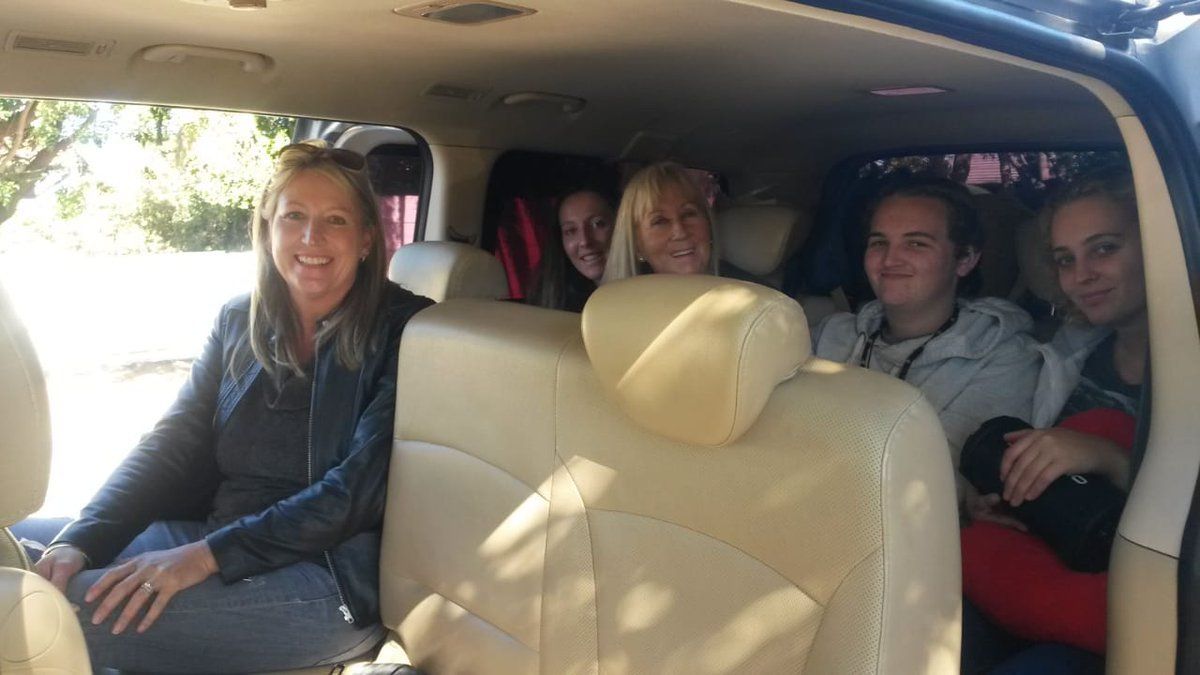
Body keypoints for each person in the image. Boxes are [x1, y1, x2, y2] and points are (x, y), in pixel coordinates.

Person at [12, 141, 434, 673]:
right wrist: (85, 539)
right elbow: (172, 444)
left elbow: (356, 493)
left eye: (336, 220)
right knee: (17, 552)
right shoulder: (239, 320)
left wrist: (206, 557)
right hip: (216, 536)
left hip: (325, 581)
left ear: (368, 238)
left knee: (37, 616)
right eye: (294, 216)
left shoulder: (405, 331)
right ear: (267, 226)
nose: (311, 238)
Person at [960, 166, 1145, 674]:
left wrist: (1110, 459)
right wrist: (1011, 496)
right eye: (1066, 259)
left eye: (1104, 248)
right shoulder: (1066, 354)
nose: (1081, 275)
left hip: (1135, 594)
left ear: (1157, 245)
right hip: (1039, 564)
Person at [811, 176, 1041, 463]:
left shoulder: (1004, 358)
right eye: (879, 242)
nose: (890, 259)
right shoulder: (829, 334)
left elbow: (938, 479)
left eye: (916, 244)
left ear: (965, 259)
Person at [601, 161, 719, 282]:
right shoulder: (618, 301)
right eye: (660, 221)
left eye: (688, 214)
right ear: (636, 245)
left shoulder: (739, 289)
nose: (680, 232)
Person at [527, 185, 617, 311]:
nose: (585, 241)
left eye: (598, 224)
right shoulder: (554, 305)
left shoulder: (650, 289)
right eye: (571, 230)